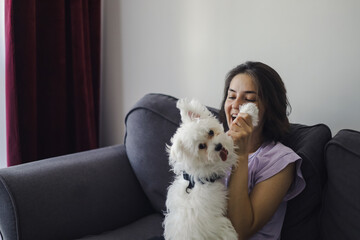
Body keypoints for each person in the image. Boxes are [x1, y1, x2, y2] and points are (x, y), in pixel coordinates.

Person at [219, 61, 305, 240]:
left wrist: (240, 154)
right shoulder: (214, 145)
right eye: (231, 96)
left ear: (269, 108)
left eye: (249, 99)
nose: (236, 105)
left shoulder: (280, 161)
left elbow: (239, 231)